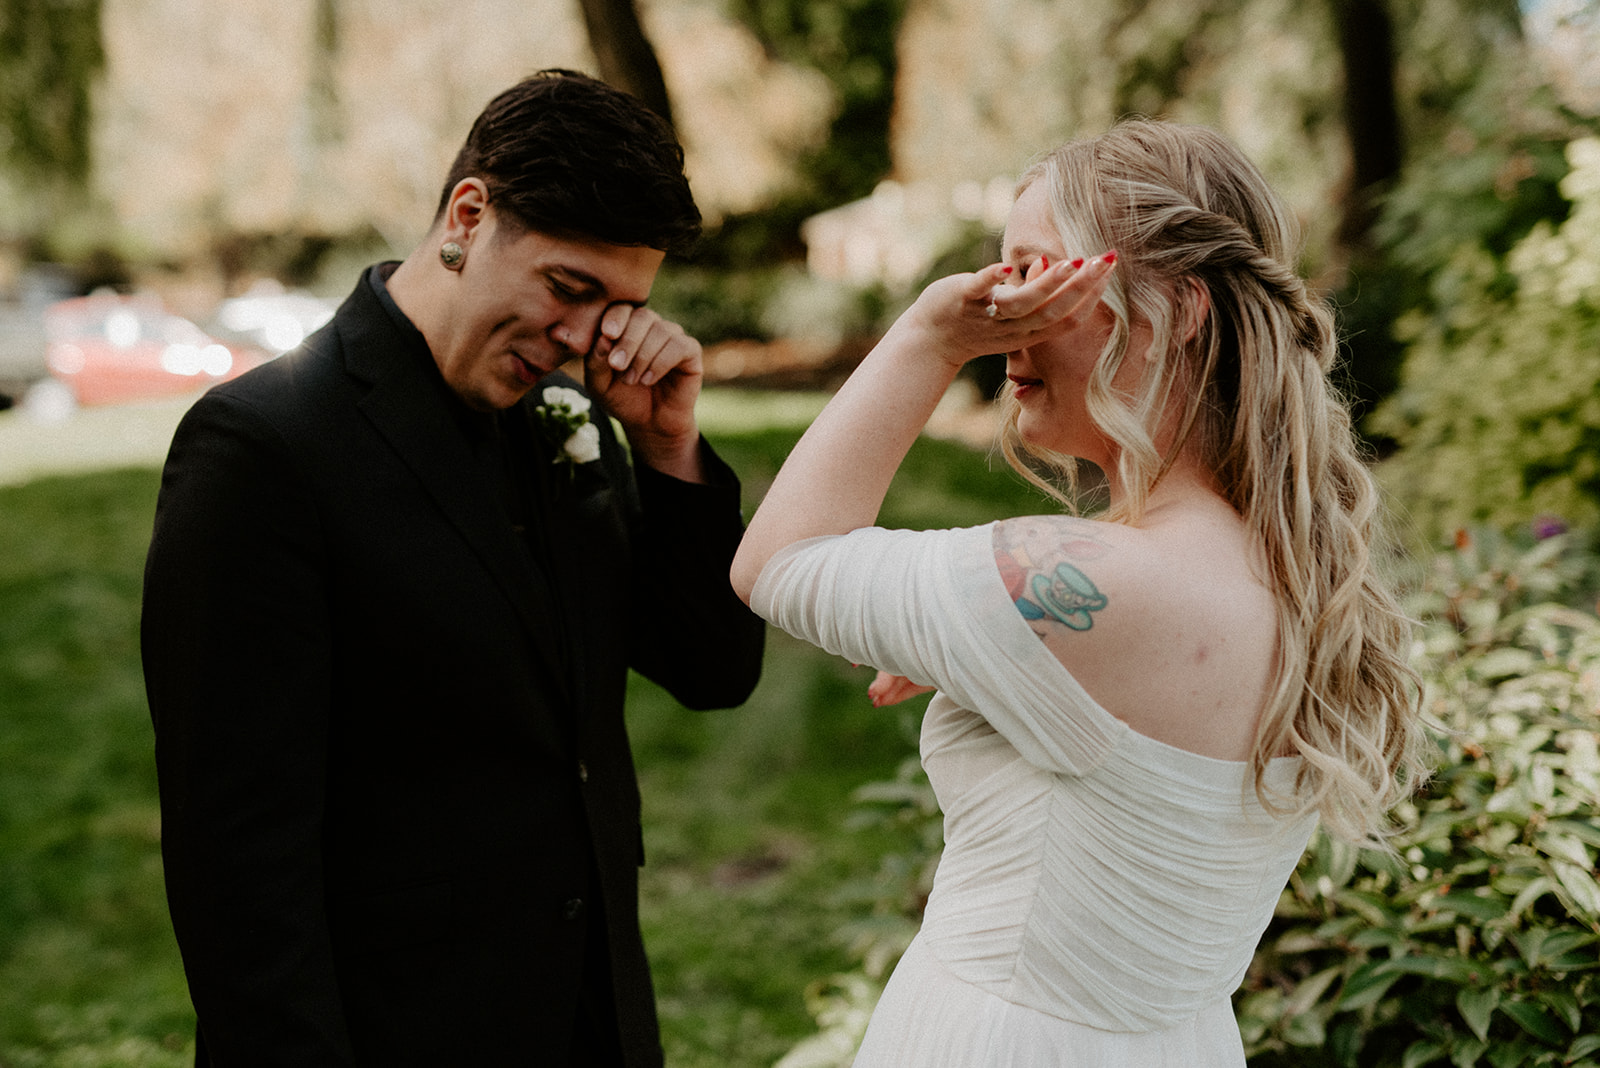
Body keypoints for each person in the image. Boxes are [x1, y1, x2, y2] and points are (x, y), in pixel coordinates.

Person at [730, 119, 1426, 1065]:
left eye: (1033, 273)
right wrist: (1001, 656)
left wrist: (928, 337)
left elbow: (778, 561)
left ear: (1179, 309)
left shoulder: (1093, 583)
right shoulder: (1289, 574)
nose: (997, 307)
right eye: (996, 282)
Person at [142, 69, 764, 1067]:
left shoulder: (574, 427)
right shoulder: (265, 448)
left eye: (617, 305)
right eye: (568, 288)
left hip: (591, 1024)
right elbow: (237, 866)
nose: (581, 339)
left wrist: (670, 452)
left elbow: (713, 670)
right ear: (468, 216)